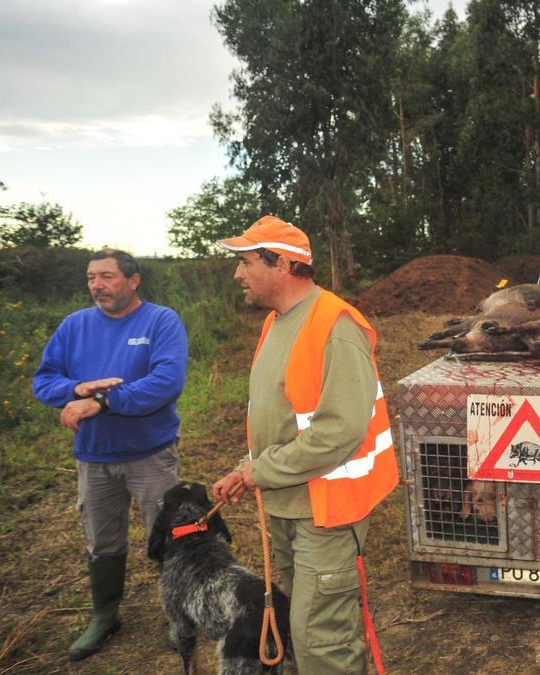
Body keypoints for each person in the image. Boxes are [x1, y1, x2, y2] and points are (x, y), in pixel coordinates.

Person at [211, 215, 399, 674]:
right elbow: (281, 416)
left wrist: (264, 470)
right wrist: (247, 468)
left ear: (283, 265)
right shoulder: (277, 323)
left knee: (322, 642)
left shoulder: (335, 325)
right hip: (287, 505)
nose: (238, 273)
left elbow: (339, 430)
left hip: (327, 512)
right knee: (301, 623)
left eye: (246, 261)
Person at [32, 249, 188, 661]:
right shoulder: (74, 326)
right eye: (90, 278)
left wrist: (103, 399)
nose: (97, 285)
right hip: (94, 457)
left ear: (133, 281)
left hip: (150, 454)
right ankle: (105, 615)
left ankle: (180, 615)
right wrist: (76, 390)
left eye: (107, 276)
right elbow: (44, 381)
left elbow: (166, 382)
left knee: (167, 535)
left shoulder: (160, 321)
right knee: (102, 540)